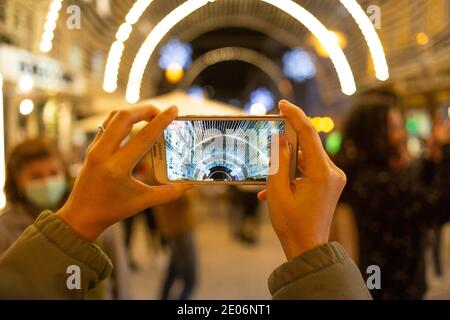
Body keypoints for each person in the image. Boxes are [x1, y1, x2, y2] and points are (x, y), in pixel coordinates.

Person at [0, 101, 371, 299]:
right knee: (184, 273)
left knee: (184, 273)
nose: (47, 181)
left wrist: (76, 221)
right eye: (36, 176)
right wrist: (311, 250)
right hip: (178, 228)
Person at [332, 97, 450, 299]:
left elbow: (414, 189)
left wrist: (431, 159)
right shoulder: (378, 183)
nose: (402, 134)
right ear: (376, 136)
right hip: (389, 288)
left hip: (378, 278)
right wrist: (447, 151)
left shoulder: (369, 174)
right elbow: (439, 206)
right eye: (395, 128)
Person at [0, 138, 131, 299]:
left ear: (64, 173)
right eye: (36, 176)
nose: (47, 182)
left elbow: (121, 275)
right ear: (17, 182)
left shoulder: (97, 215)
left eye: (54, 173)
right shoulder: (4, 227)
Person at [154, 196, 197, 300]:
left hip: (170, 228)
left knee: (173, 271)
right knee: (191, 281)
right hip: (181, 229)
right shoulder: (170, 182)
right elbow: (186, 201)